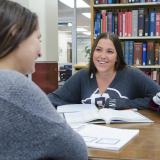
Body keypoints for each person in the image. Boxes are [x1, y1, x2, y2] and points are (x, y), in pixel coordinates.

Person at [0, 1, 88, 160]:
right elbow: (77, 151)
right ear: (16, 32)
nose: (40, 52)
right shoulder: (13, 84)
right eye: (38, 39)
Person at [48, 32, 160, 110]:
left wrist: (126, 104)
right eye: (98, 50)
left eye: (110, 51)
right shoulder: (82, 76)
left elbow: (157, 99)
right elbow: (53, 100)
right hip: (89, 137)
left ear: (117, 57)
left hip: (126, 137)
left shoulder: (131, 75)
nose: (102, 56)